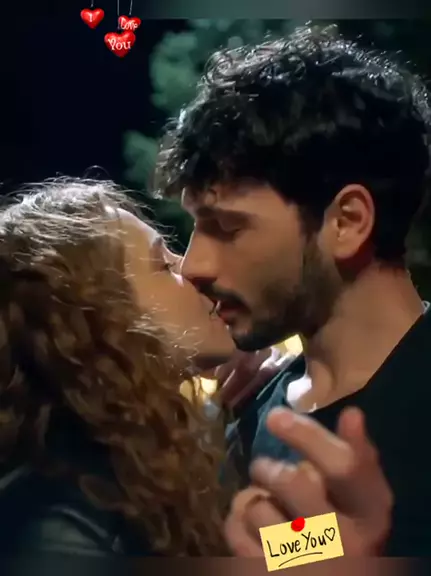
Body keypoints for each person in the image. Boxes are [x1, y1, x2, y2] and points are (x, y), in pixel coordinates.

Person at [155, 24, 431, 556]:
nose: (192, 265)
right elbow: (286, 553)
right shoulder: (251, 417)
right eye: (194, 226)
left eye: (227, 227)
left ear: (347, 222)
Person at [0, 177, 237, 559]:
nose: (192, 268)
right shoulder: (58, 526)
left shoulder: (148, 457)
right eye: (163, 264)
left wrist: (335, 535)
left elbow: (246, 553)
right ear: (98, 317)